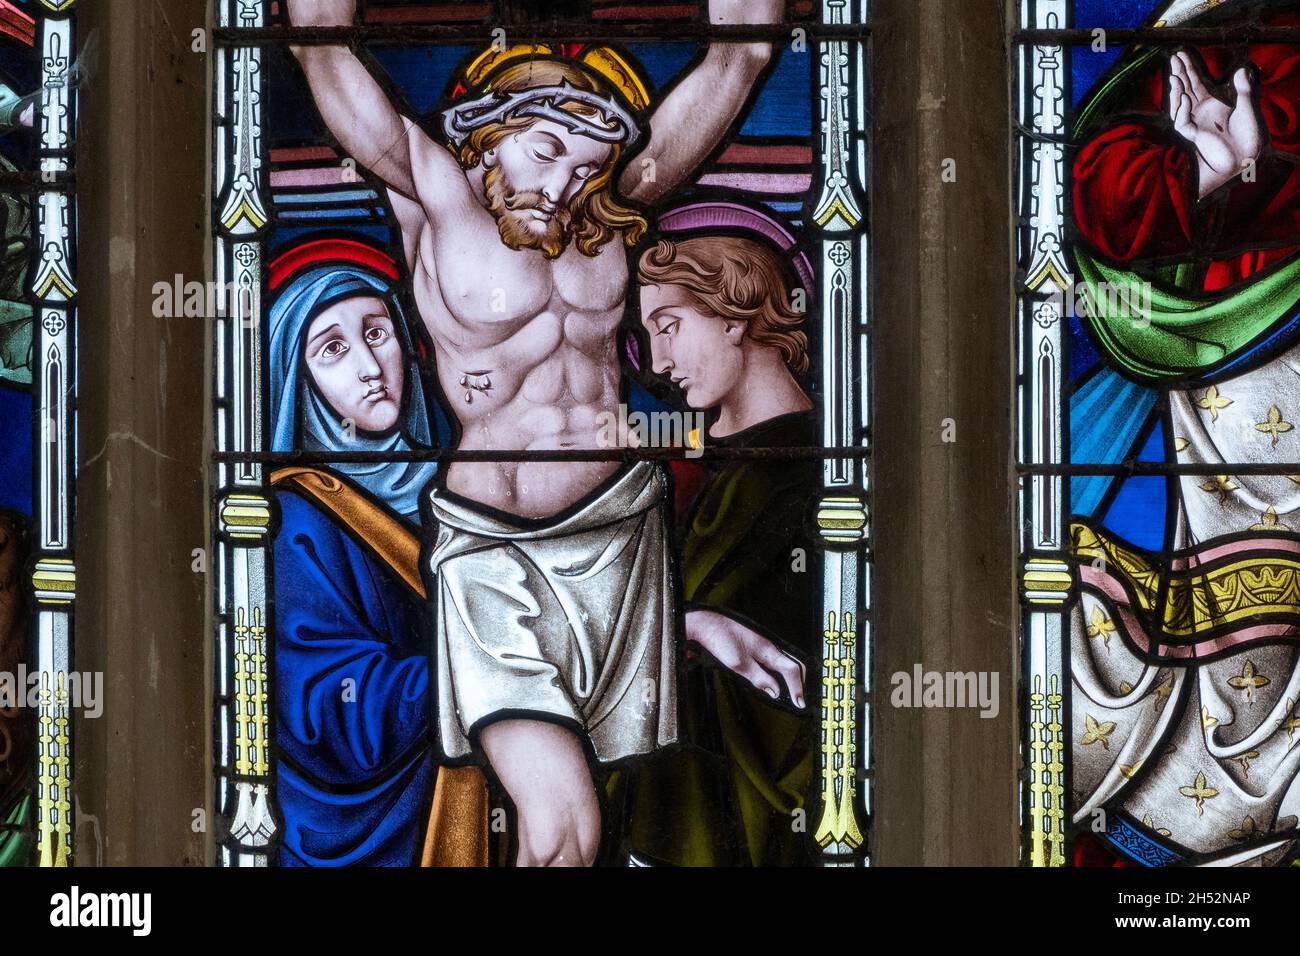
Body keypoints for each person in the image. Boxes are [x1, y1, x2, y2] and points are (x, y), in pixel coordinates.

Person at [286, 0, 808, 866]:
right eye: (548, 153)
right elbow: (328, 58)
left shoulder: (610, 213)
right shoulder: (434, 197)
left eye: (588, 165)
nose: (566, 184)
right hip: (493, 555)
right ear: (491, 136)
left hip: (620, 541)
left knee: (628, 824)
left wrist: (746, 35)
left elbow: (735, 61)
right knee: (563, 823)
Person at [1068, 0, 1300, 864]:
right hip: (1247, 385)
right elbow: (1106, 193)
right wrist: (1207, 171)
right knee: (1250, 652)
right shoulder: (1200, 50)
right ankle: (1217, 834)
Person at [607, 230, 819, 865]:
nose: (658, 361)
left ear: (735, 313)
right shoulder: (684, 468)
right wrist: (689, 628)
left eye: (668, 326)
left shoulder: (820, 472)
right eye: (649, 335)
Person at [268, 259, 451, 866]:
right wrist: (483, 679)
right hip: (362, 831)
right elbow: (325, 708)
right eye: (333, 349)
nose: (370, 369)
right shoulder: (300, 518)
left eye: (377, 333)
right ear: (297, 378)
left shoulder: (458, 485)